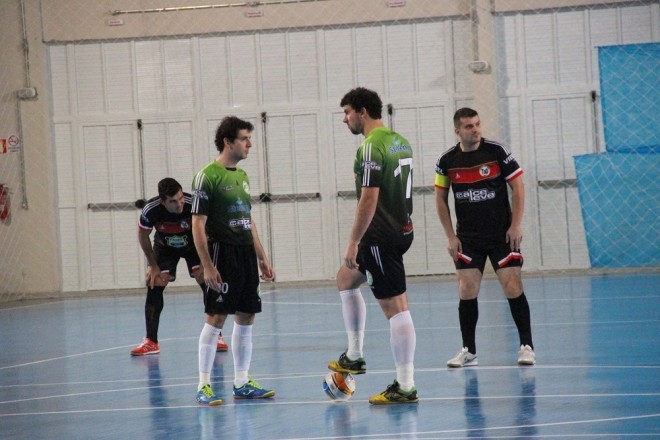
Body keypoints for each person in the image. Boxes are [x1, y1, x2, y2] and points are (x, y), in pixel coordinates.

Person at [327, 87, 418, 405]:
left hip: (380, 236)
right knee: (346, 278)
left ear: (362, 112)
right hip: (400, 229)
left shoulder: (369, 147)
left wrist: (354, 241)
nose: (345, 119)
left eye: (347, 112)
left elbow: (369, 197)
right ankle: (354, 355)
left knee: (396, 309)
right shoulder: (399, 141)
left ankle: (405, 386)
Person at [434, 107, 535, 368]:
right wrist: (450, 236)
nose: (476, 129)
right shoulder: (446, 161)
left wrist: (516, 225)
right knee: (467, 290)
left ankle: (526, 346)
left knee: (513, 286)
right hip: (468, 238)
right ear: (457, 130)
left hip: (502, 235)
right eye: (469, 126)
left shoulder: (497, 152)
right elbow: (440, 199)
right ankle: (469, 351)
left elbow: (518, 186)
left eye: (478, 124)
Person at [191, 116, 276, 406]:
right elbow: (198, 224)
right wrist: (207, 265)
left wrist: (262, 257)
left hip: (244, 254)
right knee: (216, 317)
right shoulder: (207, 176)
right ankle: (203, 384)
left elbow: (247, 220)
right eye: (244, 138)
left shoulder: (242, 177)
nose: (249, 143)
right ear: (228, 142)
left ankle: (241, 381)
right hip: (221, 253)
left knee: (247, 315)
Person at [130, 177, 229, 356]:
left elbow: (209, 231)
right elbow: (143, 236)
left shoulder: (194, 204)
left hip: (194, 245)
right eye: (173, 201)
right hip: (165, 247)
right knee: (155, 282)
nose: (179, 204)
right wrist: (153, 265)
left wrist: (207, 264)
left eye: (181, 197)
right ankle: (151, 341)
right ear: (163, 201)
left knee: (207, 281)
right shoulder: (150, 210)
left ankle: (216, 335)